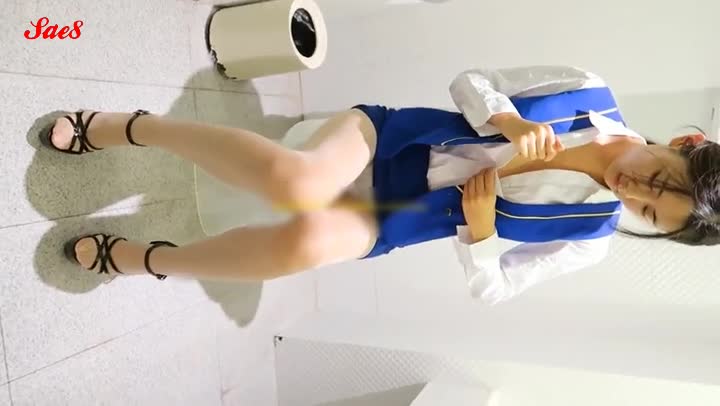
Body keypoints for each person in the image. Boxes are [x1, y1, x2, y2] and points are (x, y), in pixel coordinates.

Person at [40, 65, 720, 304]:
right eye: (658, 179)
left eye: (647, 211)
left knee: (303, 246)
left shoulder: (592, 237)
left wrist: (482, 237)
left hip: (402, 217)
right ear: (686, 145)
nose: (633, 191)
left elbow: (498, 289)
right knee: (298, 182)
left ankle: (151, 260)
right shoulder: (587, 89)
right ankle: (138, 127)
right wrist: (507, 119)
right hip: (393, 137)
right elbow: (471, 81)